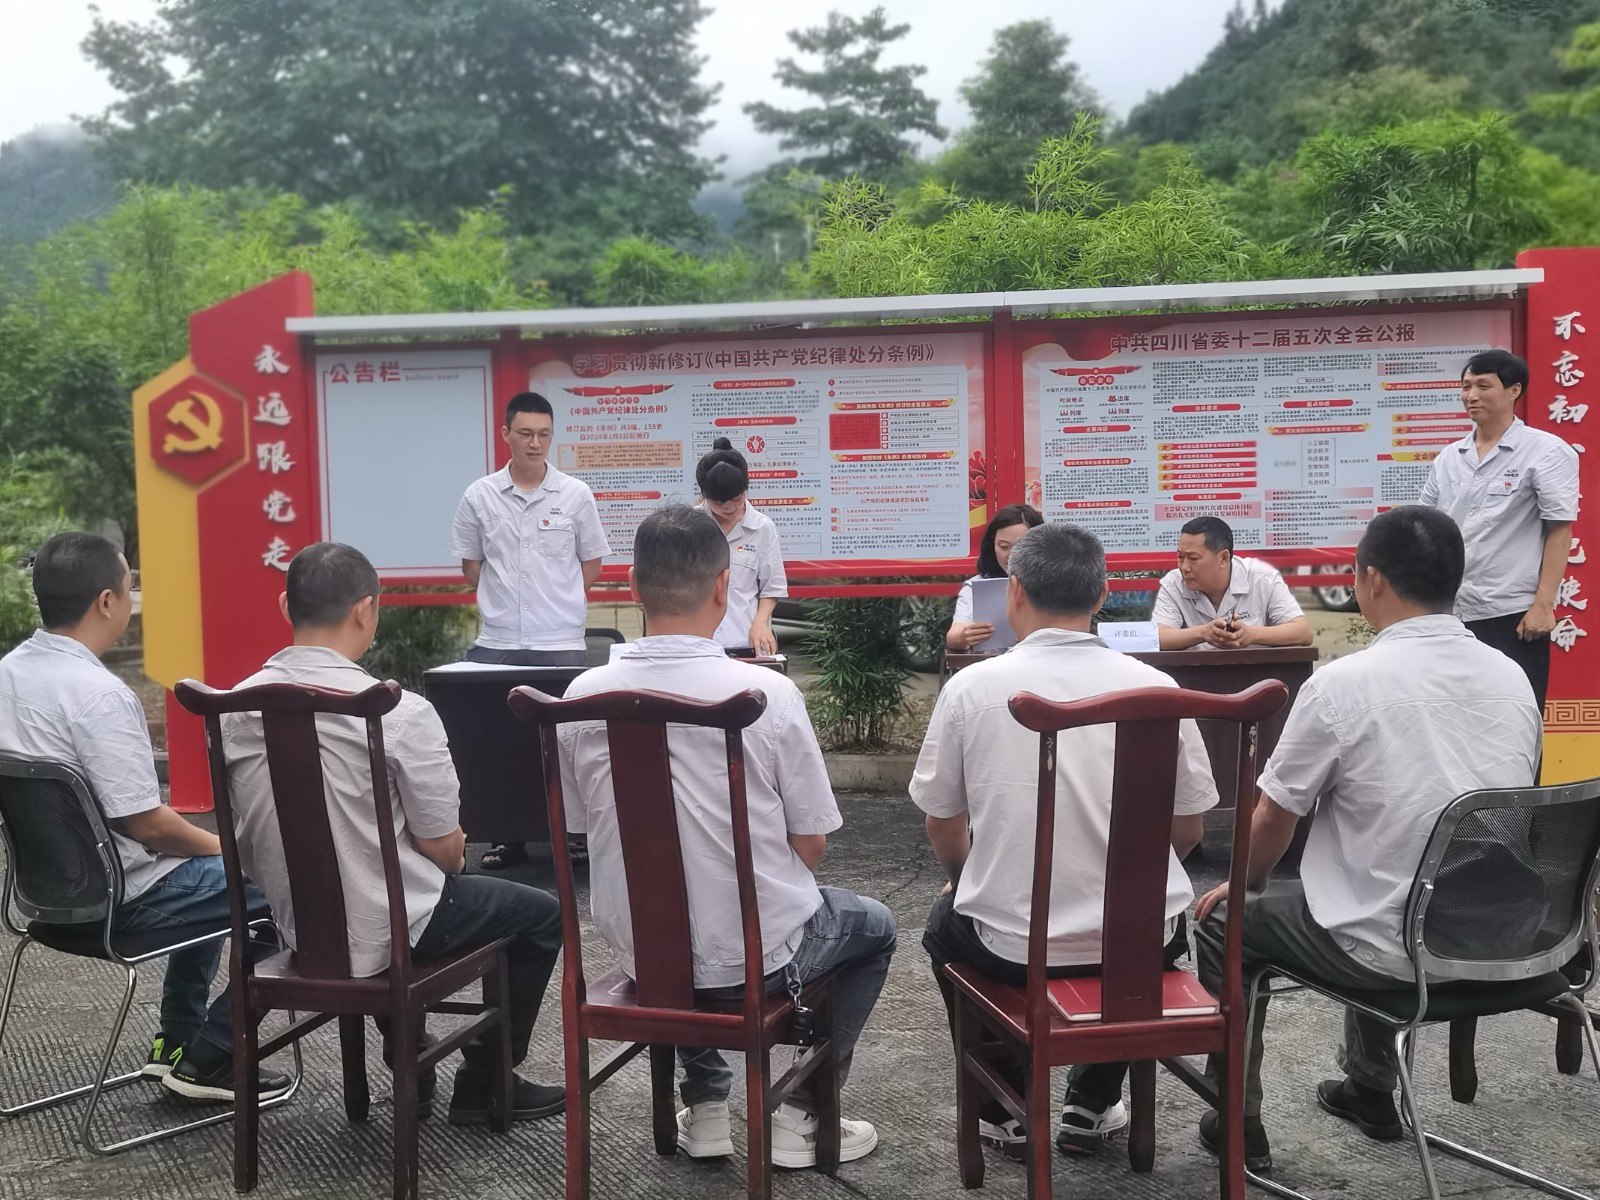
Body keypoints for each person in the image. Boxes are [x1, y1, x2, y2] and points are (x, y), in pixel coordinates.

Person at [1191, 506, 1541, 1174]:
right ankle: (1372, 1090)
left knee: (1226, 922)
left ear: (1371, 579)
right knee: (1388, 877)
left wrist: (1240, 887)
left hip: (1398, 949)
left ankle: (1236, 1121)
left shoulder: (1343, 684)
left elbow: (1273, 820)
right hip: (1511, 935)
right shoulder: (1511, 677)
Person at [557, 506, 896, 1170]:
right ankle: (801, 1115)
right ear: (724, 585)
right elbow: (811, 846)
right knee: (873, 926)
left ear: (633, 586)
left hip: (640, 953)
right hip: (754, 957)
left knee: (676, 913)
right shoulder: (764, 693)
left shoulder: (582, 696)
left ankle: (707, 1106)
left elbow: (578, 824)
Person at [221, 542, 566, 1127]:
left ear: (285, 607)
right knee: (537, 915)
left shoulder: (232, 709)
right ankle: (484, 1082)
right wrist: (445, 853)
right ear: (365, 610)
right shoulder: (397, 712)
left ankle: (409, 1046)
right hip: (393, 925)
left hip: (296, 920)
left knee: (379, 885)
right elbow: (445, 851)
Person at [913, 522, 1218, 1160]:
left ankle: (1006, 1106)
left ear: (1014, 592)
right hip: (1141, 944)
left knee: (945, 927)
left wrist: (967, 879)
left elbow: (942, 821)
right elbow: (1189, 826)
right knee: (1142, 937)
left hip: (1012, 947)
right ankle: (1092, 1102)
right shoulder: (1157, 688)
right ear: (1102, 595)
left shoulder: (973, 687)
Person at [0, 532, 289, 1102]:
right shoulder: (98, 694)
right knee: (290, 885)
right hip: (121, 904)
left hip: (43, 903)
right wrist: (232, 849)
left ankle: (177, 1044)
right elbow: (148, 826)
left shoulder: (7, 673)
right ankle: (212, 1055)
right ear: (107, 601)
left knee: (204, 873)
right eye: (130, 586)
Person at [449, 391, 611, 869]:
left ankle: (574, 834)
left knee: (569, 742)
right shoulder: (479, 496)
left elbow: (592, 564)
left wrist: (556, 600)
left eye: (543, 434)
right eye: (525, 433)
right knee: (499, 743)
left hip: (560, 641)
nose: (535, 443)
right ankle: (507, 835)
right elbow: (472, 567)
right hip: (497, 642)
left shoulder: (575, 495)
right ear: (506, 435)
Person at [1419, 349, 1579, 713]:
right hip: (1451, 613)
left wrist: (1543, 606)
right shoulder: (1448, 458)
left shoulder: (1546, 452)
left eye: (1483, 385)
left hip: (1512, 613)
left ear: (1513, 390)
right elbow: (1427, 525)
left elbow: (1559, 531)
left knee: (1514, 717)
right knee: (1454, 717)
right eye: (1466, 386)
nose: (1471, 395)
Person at [1152, 517, 1313, 650]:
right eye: (1180, 557)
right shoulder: (1173, 583)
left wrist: (1251, 635)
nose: (1184, 567)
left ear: (1223, 558)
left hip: (1257, 674)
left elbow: (1302, 631)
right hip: (1193, 676)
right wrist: (1204, 633)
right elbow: (1157, 638)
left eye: (1193, 559)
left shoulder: (1262, 578)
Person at [695, 436, 788, 655]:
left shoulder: (762, 527)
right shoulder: (690, 526)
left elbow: (772, 587)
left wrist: (761, 622)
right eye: (719, 502)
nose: (729, 508)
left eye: (736, 499)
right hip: (699, 642)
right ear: (704, 494)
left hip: (747, 640)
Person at [945, 504, 1044, 652]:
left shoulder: (1056, 581)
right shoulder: (978, 586)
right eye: (1003, 546)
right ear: (992, 544)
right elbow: (953, 636)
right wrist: (964, 636)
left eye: (1020, 547)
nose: (1011, 555)